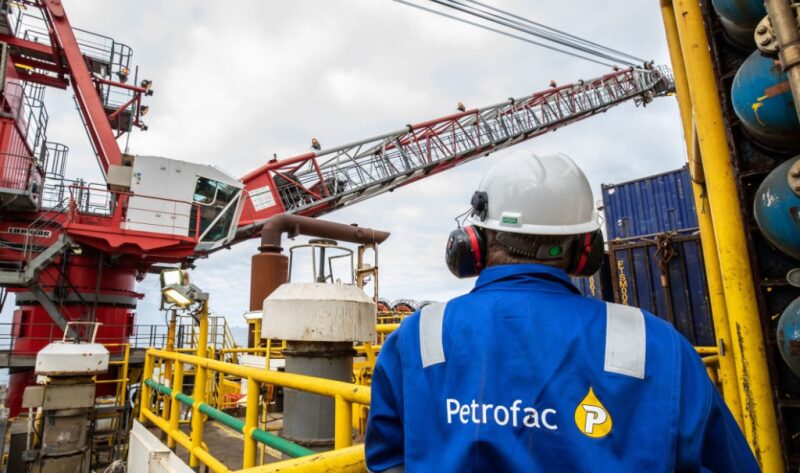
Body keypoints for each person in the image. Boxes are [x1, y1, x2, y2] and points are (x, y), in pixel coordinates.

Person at [365, 150, 759, 472]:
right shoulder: (656, 345)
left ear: (473, 243)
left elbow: (386, 463)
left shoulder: (415, 338)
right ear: (586, 250)